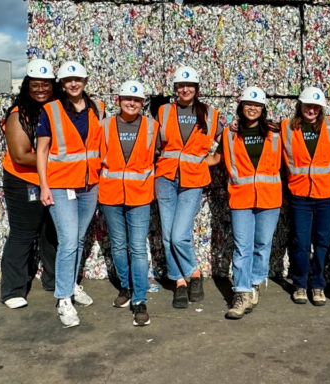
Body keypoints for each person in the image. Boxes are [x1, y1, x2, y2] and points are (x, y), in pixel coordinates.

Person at [35, 61, 105, 328]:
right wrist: (44, 185)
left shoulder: (97, 108)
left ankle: (72, 283)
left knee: (77, 238)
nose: (73, 84)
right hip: (61, 185)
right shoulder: (50, 110)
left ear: (85, 80)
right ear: (61, 84)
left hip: (89, 186)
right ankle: (63, 298)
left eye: (77, 79)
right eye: (67, 80)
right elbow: (42, 150)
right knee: (68, 241)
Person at [207, 87, 282, 320]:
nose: (253, 108)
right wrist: (189, 163)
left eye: (257, 104)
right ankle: (241, 292)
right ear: (241, 107)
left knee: (262, 243)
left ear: (263, 109)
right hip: (241, 197)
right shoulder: (230, 133)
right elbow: (218, 157)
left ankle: (255, 282)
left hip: (269, 198)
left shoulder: (276, 132)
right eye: (249, 104)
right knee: (242, 246)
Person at [155, 65, 220, 308]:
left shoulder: (210, 115)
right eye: (181, 85)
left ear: (196, 88)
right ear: (175, 88)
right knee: (167, 236)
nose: (185, 89)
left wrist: (212, 160)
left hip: (193, 180)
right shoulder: (162, 111)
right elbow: (153, 141)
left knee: (179, 235)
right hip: (166, 179)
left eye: (189, 85)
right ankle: (180, 281)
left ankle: (194, 272)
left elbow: (226, 143)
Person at [98, 80, 159, 327]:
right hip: (111, 194)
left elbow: (166, 150)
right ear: (118, 100)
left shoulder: (153, 127)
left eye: (136, 100)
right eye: (126, 99)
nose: (131, 103)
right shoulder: (105, 126)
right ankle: (125, 287)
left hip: (140, 195)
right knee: (118, 245)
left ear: (142, 103)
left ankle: (139, 299)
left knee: (137, 247)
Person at [0, 59, 60, 310]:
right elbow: (21, 156)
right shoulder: (19, 115)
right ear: (27, 85)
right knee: (24, 234)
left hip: (52, 180)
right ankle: (12, 290)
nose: (40, 89)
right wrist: (63, 161)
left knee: (51, 233)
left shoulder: (55, 111)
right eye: (35, 85)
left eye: (46, 85)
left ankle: (55, 281)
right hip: (25, 181)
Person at [281, 86, 330, 307]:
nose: (311, 109)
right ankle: (300, 285)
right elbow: (260, 130)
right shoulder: (286, 127)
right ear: (300, 106)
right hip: (300, 194)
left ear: (321, 108)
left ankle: (318, 285)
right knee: (301, 243)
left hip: (325, 194)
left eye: (316, 106)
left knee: (322, 242)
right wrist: (235, 125)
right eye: (307, 105)